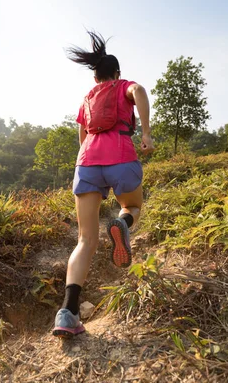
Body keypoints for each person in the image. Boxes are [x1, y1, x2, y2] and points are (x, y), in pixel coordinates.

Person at [53, 31, 154, 338]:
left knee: (85, 240)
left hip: (87, 163)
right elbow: (140, 91)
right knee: (133, 205)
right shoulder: (123, 86)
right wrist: (146, 133)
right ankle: (123, 223)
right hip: (120, 154)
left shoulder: (87, 99)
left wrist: (87, 161)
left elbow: (82, 137)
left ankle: (67, 313)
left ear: (95, 76)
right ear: (116, 74)